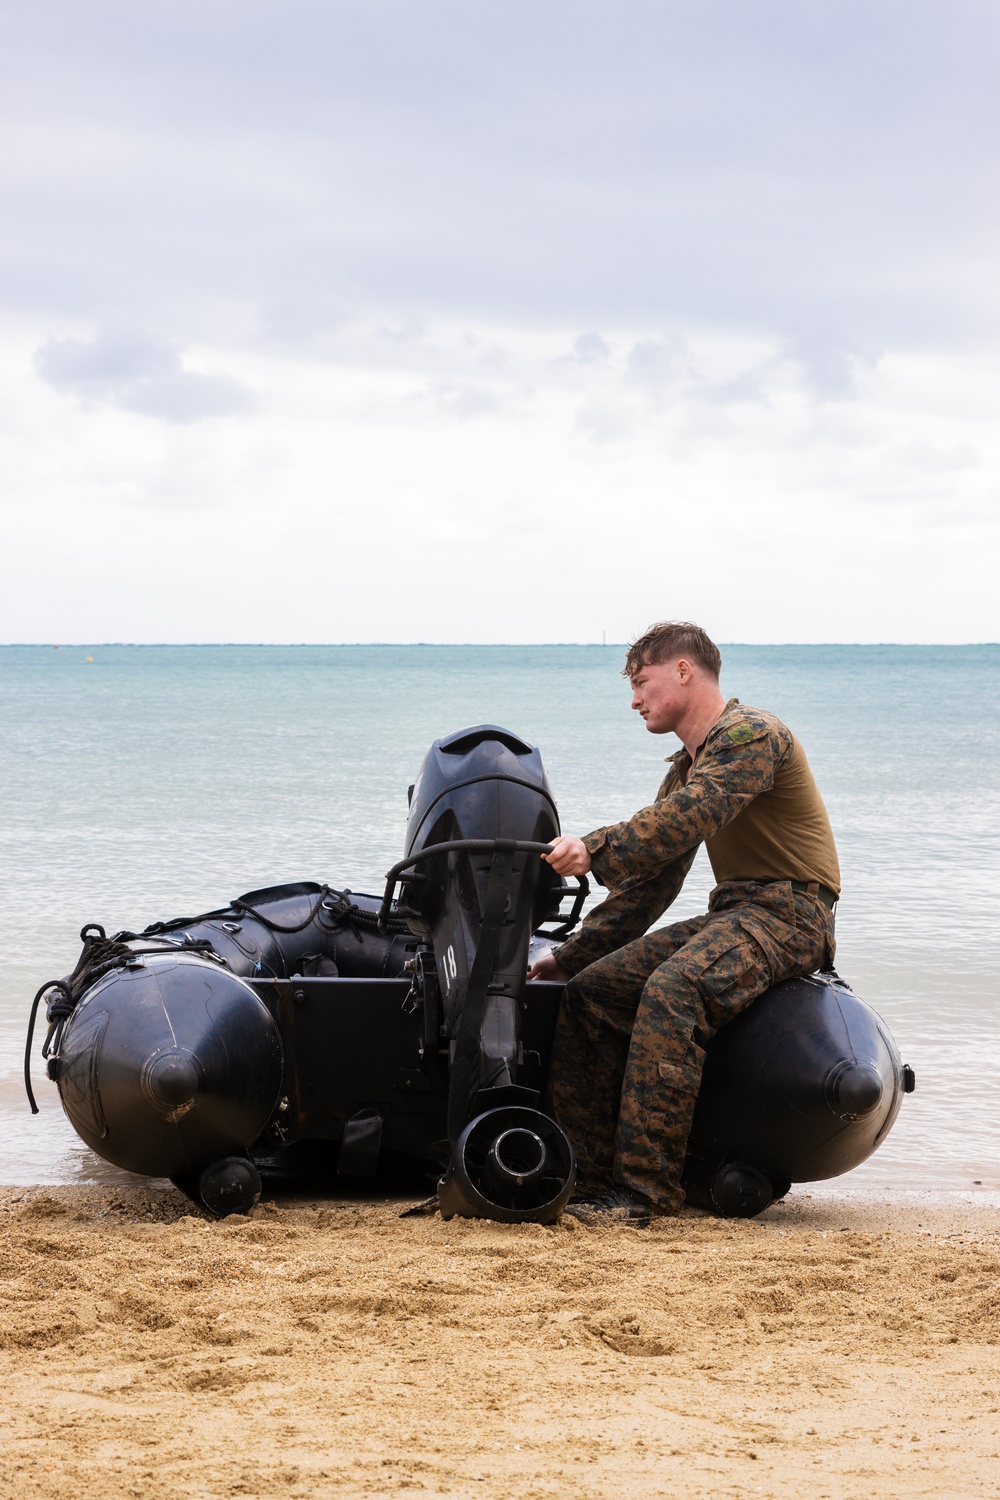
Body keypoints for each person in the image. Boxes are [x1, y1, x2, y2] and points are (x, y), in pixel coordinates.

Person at [528, 621, 840, 1222]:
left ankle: (646, 1193)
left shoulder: (752, 734)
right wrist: (572, 958)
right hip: (739, 912)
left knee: (674, 991)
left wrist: (593, 848)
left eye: (642, 682)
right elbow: (652, 884)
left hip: (794, 915)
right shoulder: (687, 767)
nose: (634, 699)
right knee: (593, 995)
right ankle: (588, 1177)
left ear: (682, 671)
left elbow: (690, 816)